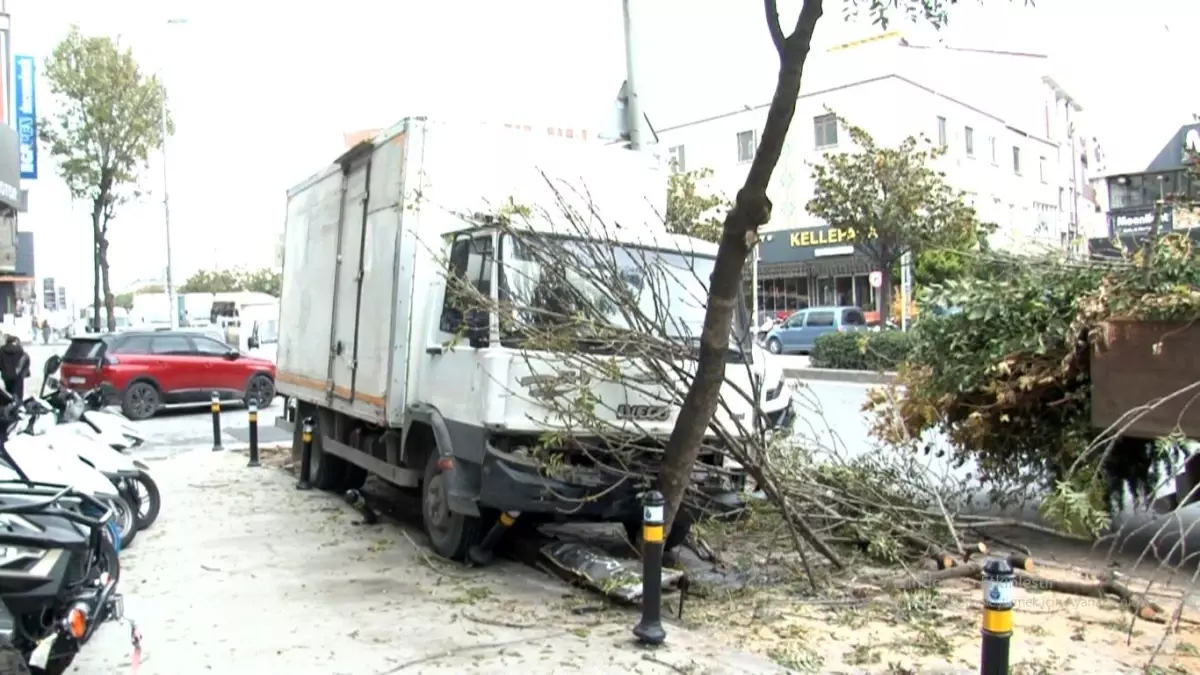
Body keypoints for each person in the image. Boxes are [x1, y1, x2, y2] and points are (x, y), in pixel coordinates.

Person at [0, 336, 30, 403]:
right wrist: (24, 373)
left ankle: (9, 408)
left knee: (8, 394)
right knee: (18, 395)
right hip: (18, 377)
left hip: (6, 376)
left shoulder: (1, 350)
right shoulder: (20, 349)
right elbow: (26, 360)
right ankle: (17, 407)